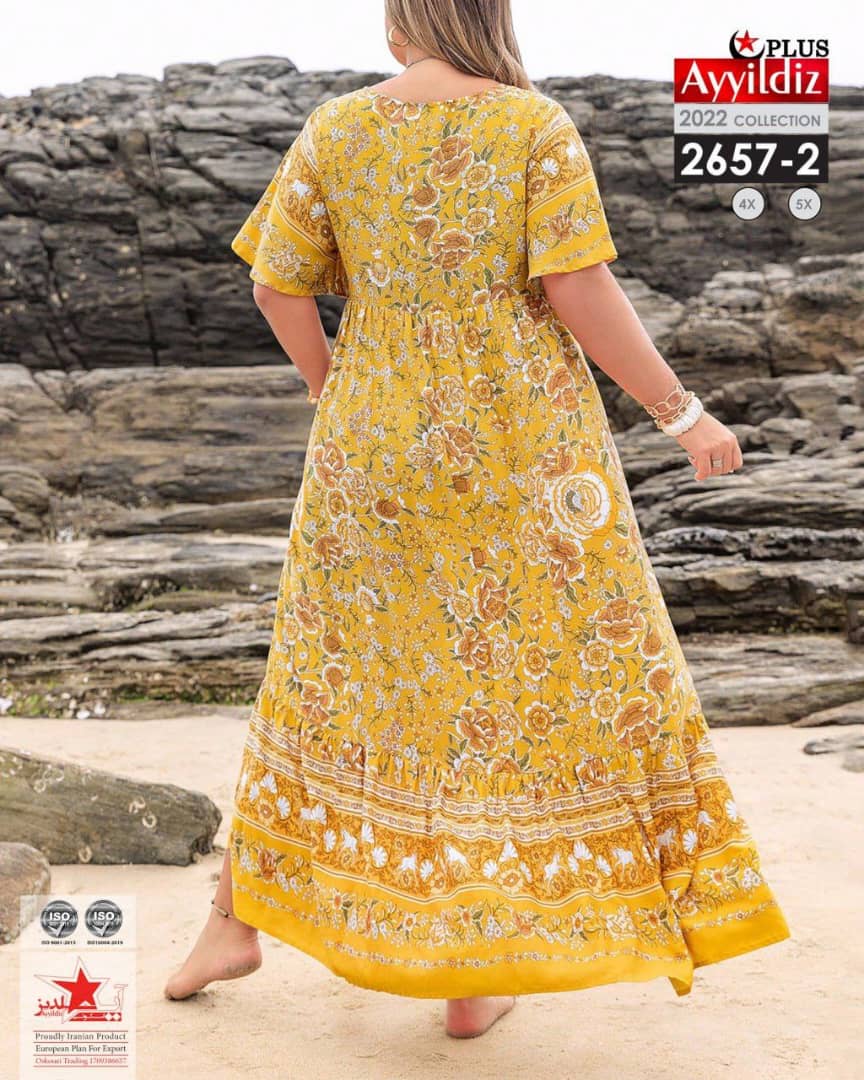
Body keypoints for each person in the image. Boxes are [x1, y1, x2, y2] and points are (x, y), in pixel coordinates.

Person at [164, 0, 791, 1038]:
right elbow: (576, 285)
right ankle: (471, 975)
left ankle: (235, 920)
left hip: (371, 451)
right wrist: (682, 413)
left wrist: (334, 388)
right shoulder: (531, 124)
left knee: (329, 677)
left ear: (402, 22)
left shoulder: (336, 127)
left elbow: (277, 287)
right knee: (535, 681)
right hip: (519, 454)